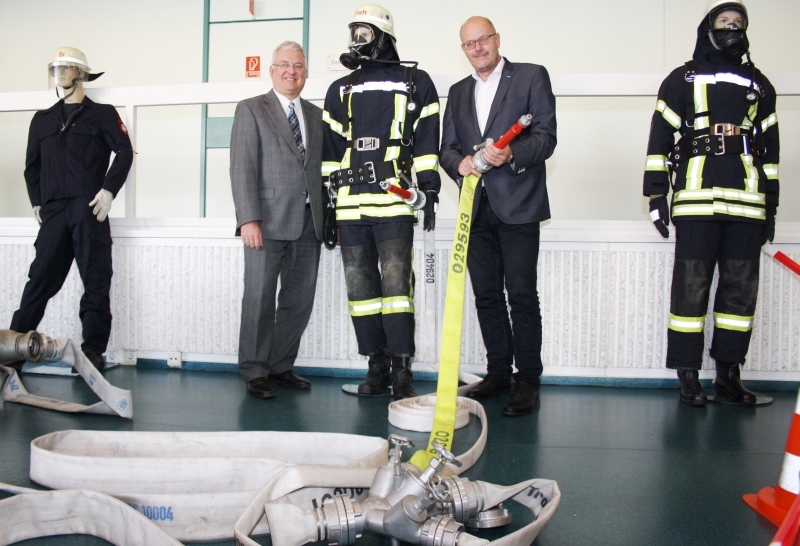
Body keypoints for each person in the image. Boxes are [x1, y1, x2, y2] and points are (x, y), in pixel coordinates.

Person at [643, 0, 779, 407]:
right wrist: (656, 195)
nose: (732, 28)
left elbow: (770, 151)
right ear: (709, 28)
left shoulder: (760, 85)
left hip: (747, 205)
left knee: (739, 296)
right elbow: (659, 141)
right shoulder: (680, 79)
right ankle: (687, 377)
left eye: (739, 23)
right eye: (724, 22)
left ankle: (728, 375)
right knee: (691, 289)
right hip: (696, 202)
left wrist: (771, 206)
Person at [322, 4, 441, 400]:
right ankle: (376, 365)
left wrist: (430, 189)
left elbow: (426, 140)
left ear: (383, 36)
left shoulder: (416, 81)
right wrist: (327, 207)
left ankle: (402, 367)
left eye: (364, 34)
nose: (357, 41)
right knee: (360, 290)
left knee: (395, 285)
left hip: (394, 203)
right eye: (353, 33)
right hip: (351, 206)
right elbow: (330, 151)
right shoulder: (339, 89)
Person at [440, 17, 557, 416]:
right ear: (464, 50)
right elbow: (447, 149)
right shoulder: (457, 93)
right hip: (475, 209)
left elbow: (546, 136)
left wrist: (512, 154)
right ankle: (497, 374)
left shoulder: (530, 77)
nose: (478, 48)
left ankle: (528, 381)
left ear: (496, 40)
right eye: (469, 43)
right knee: (486, 295)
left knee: (521, 296)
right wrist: (462, 164)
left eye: (483, 39)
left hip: (519, 206)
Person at [9, 46, 134, 372]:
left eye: (66, 68)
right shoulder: (42, 119)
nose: (60, 74)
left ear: (81, 73)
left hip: (88, 210)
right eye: (56, 68)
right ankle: (12, 350)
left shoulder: (103, 114)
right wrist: (37, 201)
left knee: (96, 281)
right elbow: (31, 167)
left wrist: (108, 191)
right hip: (53, 213)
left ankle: (92, 352)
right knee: (39, 281)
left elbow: (124, 152)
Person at [230, 41, 324, 399]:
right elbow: (242, 168)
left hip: (307, 223)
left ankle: (281, 365)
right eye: (284, 65)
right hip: (265, 224)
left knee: (298, 300)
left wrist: (328, 220)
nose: (291, 72)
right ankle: (254, 370)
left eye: (298, 65)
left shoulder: (316, 116)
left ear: (305, 72)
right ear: (272, 71)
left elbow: (321, 173)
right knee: (259, 298)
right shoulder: (252, 109)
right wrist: (248, 219)